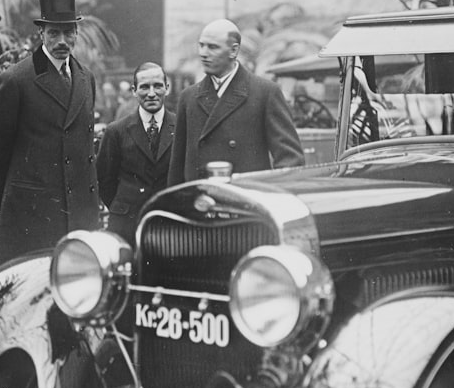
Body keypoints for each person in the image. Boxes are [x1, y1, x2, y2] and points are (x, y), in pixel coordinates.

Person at [0, 0, 101, 263]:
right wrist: (11, 202)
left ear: (77, 33)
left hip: (79, 215)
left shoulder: (85, 78)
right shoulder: (16, 80)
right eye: (54, 33)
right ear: (41, 33)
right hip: (32, 216)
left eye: (69, 33)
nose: (62, 41)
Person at [168, 18, 305, 185]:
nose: (203, 53)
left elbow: (290, 161)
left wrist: (270, 198)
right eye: (201, 45)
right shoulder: (188, 97)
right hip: (199, 202)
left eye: (212, 47)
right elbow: (177, 167)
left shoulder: (264, 93)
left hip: (246, 200)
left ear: (233, 51)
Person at [97, 62, 175, 245]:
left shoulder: (181, 127)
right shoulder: (116, 131)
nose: (151, 93)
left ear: (167, 88)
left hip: (169, 223)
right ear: (134, 91)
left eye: (157, 86)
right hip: (126, 225)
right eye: (144, 87)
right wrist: (124, 206)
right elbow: (104, 179)